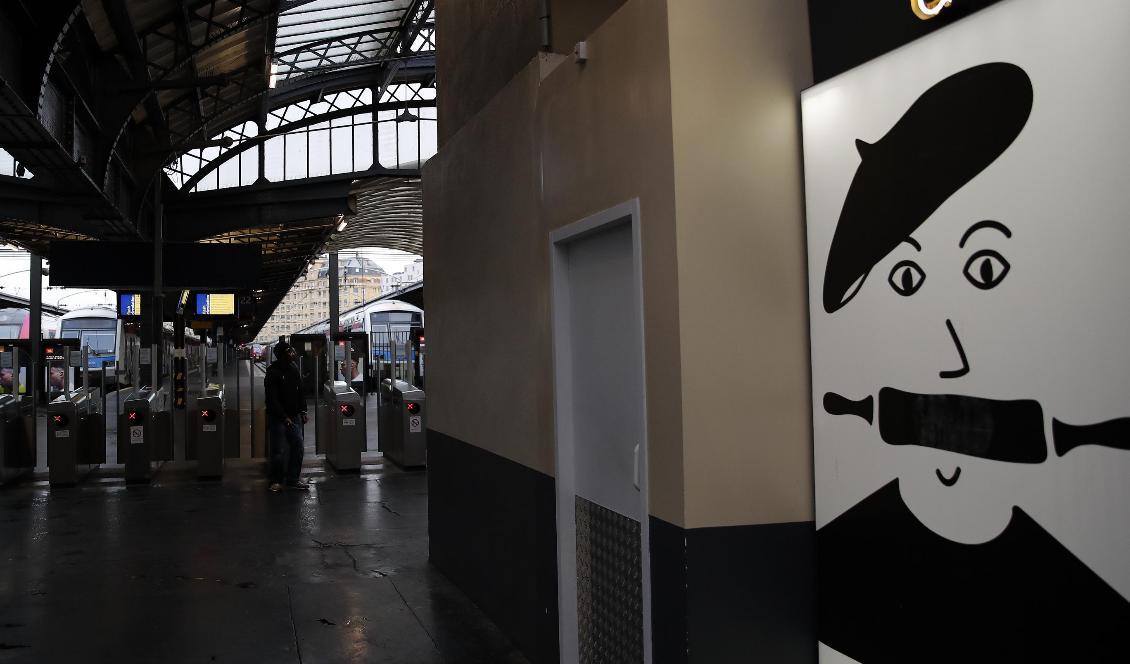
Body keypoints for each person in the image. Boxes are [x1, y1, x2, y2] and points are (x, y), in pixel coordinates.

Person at [808, 57, 1129, 662]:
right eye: (906, 278)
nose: (948, 356)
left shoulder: (1088, 610)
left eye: (986, 269)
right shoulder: (843, 574)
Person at [264, 341, 309, 491]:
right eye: (290, 351)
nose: (293, 353)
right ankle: (275, 481)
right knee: (278, 451)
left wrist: (303, 411)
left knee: (298, 446)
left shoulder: (294, 369)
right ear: (282, 354)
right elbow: (272, 399)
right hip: (278, 418)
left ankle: (293, 479)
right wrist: (284, 417)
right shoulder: (272, 372)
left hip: (294, 416)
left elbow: (299, 391)